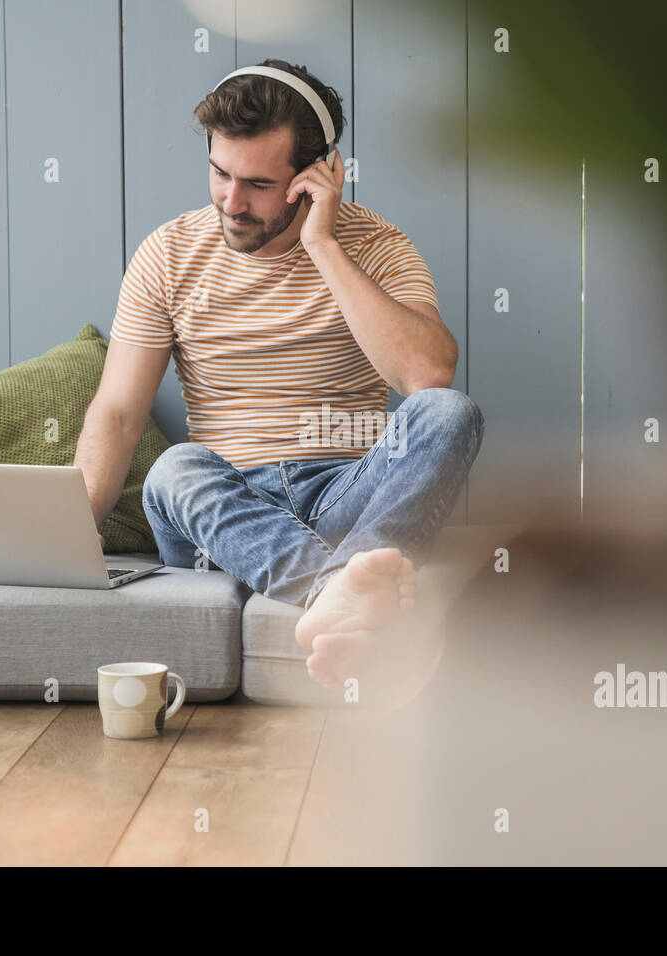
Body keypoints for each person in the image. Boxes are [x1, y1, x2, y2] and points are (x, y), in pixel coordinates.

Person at [74, 59, 483, 689]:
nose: (230, 203)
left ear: (314, 178)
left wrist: (323, 244)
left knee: (450, 412)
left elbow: (427, 374)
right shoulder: (169, 253)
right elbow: (120, 413)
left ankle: (338, 586)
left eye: (259, 185)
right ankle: (339, 590)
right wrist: (68, 540)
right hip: (225, 508)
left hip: (344, 494)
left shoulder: (375, 245)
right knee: (174, 468)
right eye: (219, 173)